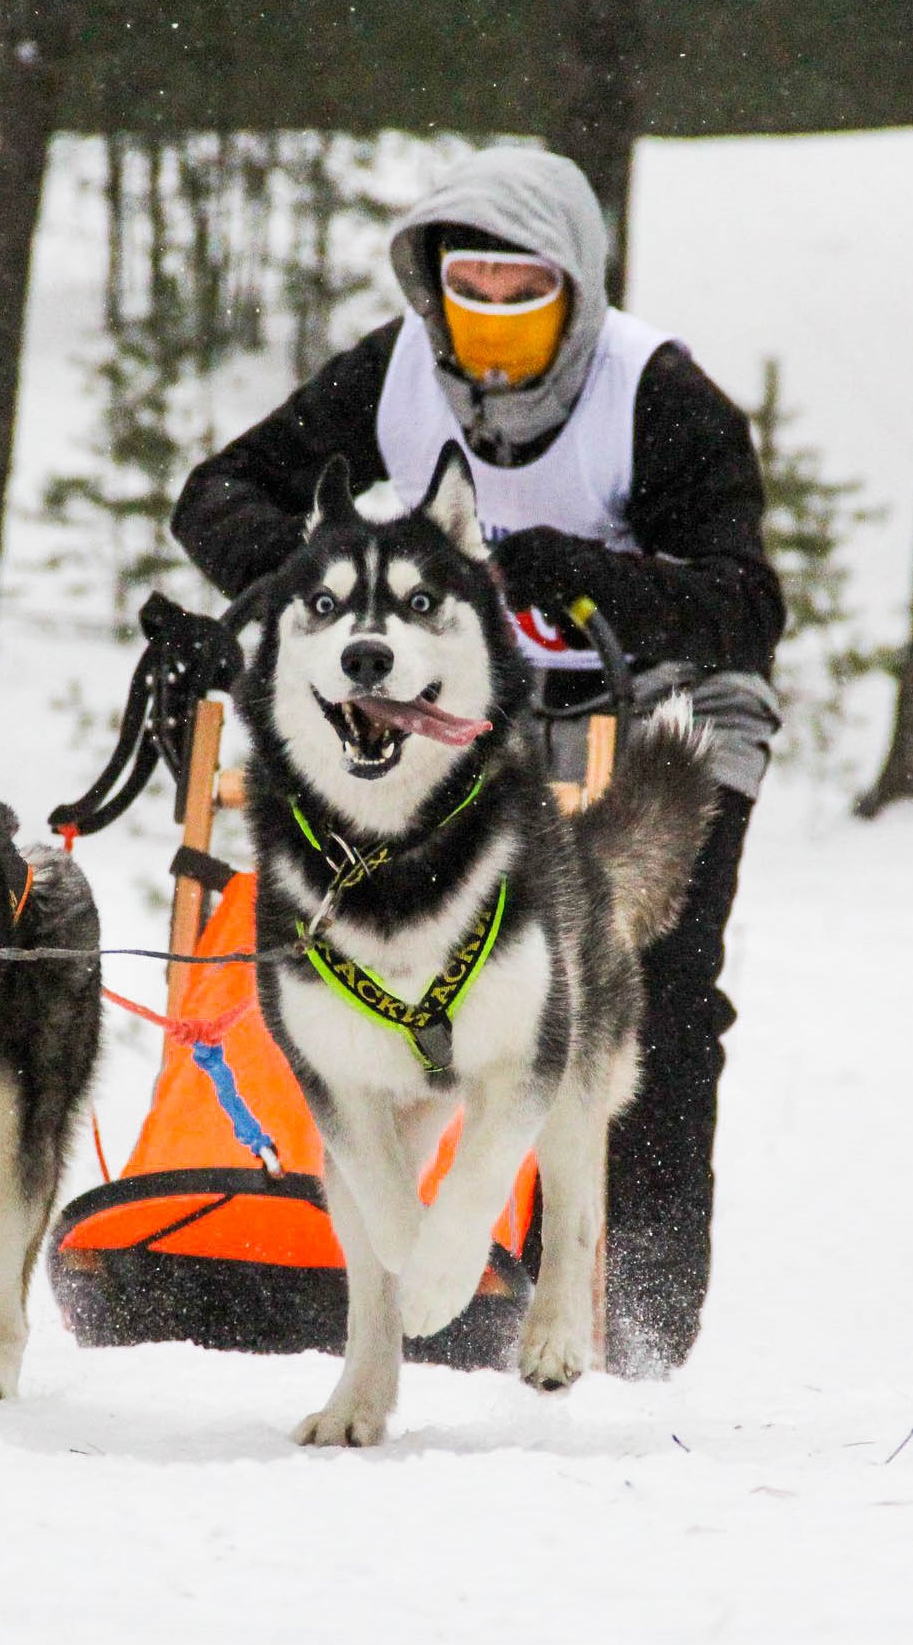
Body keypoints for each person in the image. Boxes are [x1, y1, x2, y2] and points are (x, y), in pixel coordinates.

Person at [170, 147, 779, 1377]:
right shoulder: (389, 375)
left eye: (523, 294)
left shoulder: (653, 395)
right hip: (453, 708)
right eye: (470, 290)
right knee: (390, 957)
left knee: (646, 984)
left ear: (573, 292)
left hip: (660, 706)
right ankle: (358, 1240)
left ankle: (636, 1311)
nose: (492, 322)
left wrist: (589, 575)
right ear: (434, 287)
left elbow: (744, 606)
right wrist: (308, 579)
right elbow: (216, 492)